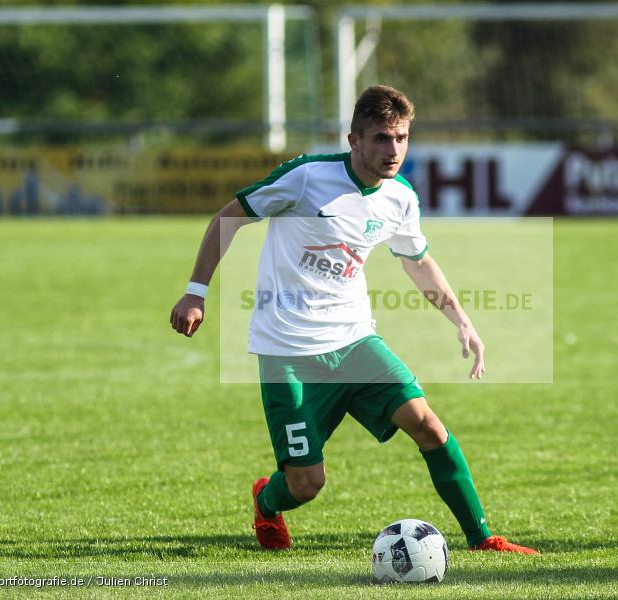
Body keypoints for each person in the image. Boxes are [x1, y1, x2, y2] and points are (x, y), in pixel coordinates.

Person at [170, 85, 536, 554]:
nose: (394, 150)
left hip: (356, 341)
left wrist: (461, 319)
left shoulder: (400, 196)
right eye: (382, 138)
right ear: (355, 140)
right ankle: (267, 499)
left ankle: (483, 537)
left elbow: (417, 260)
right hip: (289, 351)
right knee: (305, 485)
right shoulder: (306, 177)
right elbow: (229, 218)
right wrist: (195, 292)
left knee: (428, 426)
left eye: (402, 138)